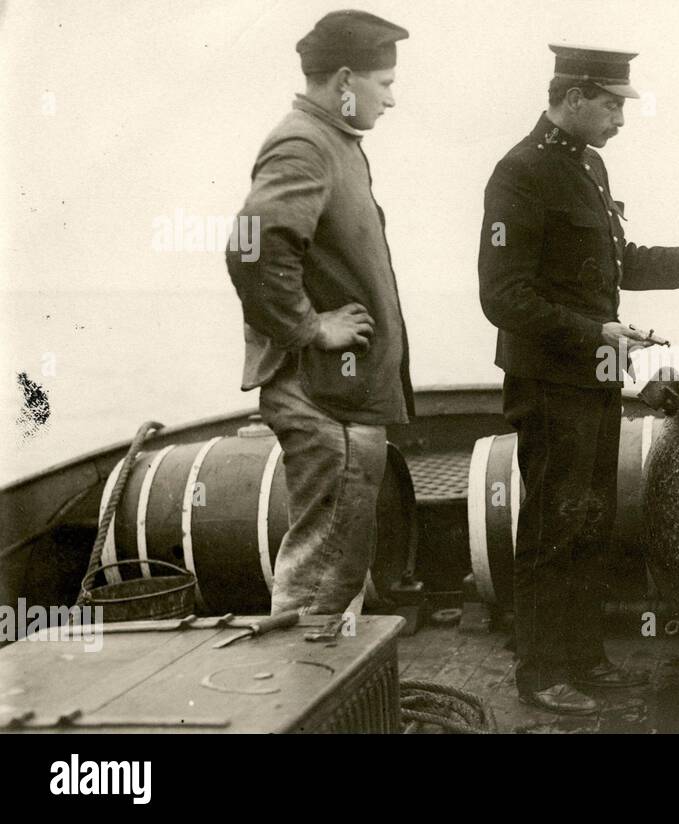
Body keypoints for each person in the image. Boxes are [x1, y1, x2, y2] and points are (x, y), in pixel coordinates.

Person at [478, 43, 679, 715]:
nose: (620, 120)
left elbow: (618, 262)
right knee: (552, 527)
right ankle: (542, 674)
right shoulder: (519, 174)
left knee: (590, 523)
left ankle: (585, 661)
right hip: (548, 382)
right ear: (573, 95)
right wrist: (593, 332)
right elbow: (501, 296)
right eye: (611, 105)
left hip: (595, 377)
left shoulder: (589, 167)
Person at [226, 10, 414, 615]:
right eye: (383, 83)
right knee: (320, 578)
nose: (392, 99)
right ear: (343, 81)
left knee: (337, 567)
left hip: (346, 396)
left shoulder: (337, 143)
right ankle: (310, 700)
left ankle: (331, 692)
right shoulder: (304, 143)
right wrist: (310, 327)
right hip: (324, 396)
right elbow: (251, 247)